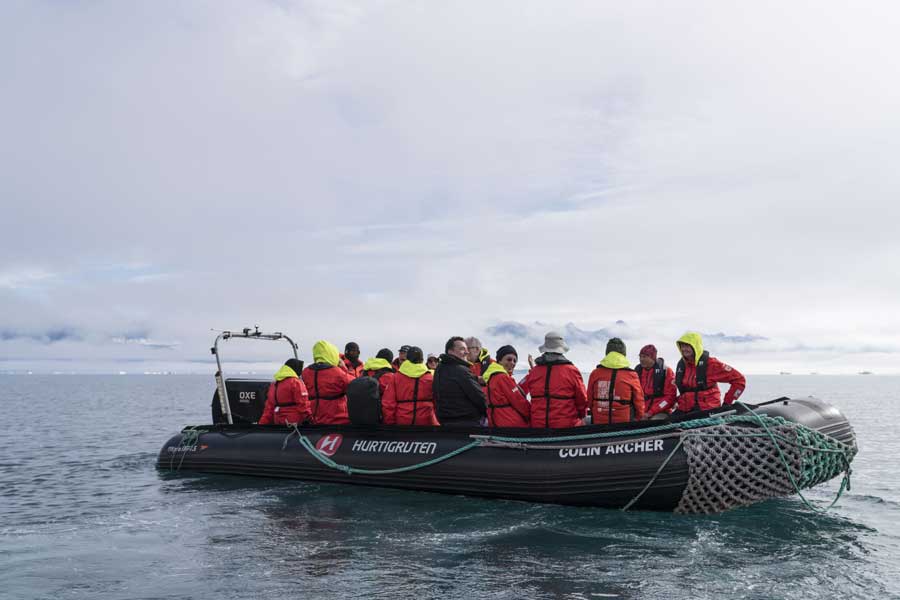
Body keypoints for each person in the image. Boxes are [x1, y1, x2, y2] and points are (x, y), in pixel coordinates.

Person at [520, 332, 587, 429]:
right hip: (567, 426)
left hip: (538, 426)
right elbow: (582, 400)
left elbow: (520, 391)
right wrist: (582, 414)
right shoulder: (572, 371)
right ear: (561, 350)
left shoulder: (534, 372)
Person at [673, 332, 747, 413]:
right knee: (666, 423)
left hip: (707, 408)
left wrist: (727, 403)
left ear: (695, 346)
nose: (684, 349)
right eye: (682, 346)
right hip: (685, 408)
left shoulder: (711, 364)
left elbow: (739, 380)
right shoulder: (682, 366)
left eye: (687, 346)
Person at [586, 338, 644, 425]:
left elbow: (589, 400)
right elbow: (639, 402)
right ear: (624, 354)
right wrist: (638, 417)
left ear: (607, 352)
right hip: (624, 425)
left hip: (598, 424)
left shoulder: (595, 373)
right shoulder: (631, 375)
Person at [433, 336, 487, 426]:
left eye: (467, 349)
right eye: (462, 349)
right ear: (450, 351)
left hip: (445, 422)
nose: (467, 352)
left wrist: (475, 378)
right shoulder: (461, 370)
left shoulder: (440, 369)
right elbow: (479, 398)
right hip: (467, 422)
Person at [381, 346, 439, 425]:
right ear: (422, 360)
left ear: (407, 359)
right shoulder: (431, 378)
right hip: (426, 423)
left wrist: (390, 424)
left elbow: (388, 404)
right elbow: (438, 402)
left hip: (401, 423)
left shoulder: (395, 378)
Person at [301, 340, 352, 424]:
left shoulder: (306, 372)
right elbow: (355, 384)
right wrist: (343, 368)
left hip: (315, 420)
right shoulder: (337, 372)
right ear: (332, 354)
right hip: (337, 420)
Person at [482, 345, 530, 427]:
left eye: (515, 361)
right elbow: (518, 401)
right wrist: (532, 414)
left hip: (496, 422)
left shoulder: (491, 377)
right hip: (511, 424)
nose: (512, 363)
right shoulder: (503, 378)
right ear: (500, 360)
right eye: (509, 359)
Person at [258, 358, 310, 425]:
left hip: (278, 421)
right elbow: (303, 405)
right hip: (294, 423)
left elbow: (269, 409)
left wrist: (261, 424)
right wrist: (310, 419)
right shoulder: (296, 382)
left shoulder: (274, 384)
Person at [634, 344, 677, 419]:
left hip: (661, 411)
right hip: (641, 411)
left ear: (652, 358)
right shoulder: (637, 372)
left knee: (653, 422)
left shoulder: (666, 371)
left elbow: (670, 397)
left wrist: (651, 412)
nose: (641, 359)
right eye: (640, 356)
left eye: (644, 357)